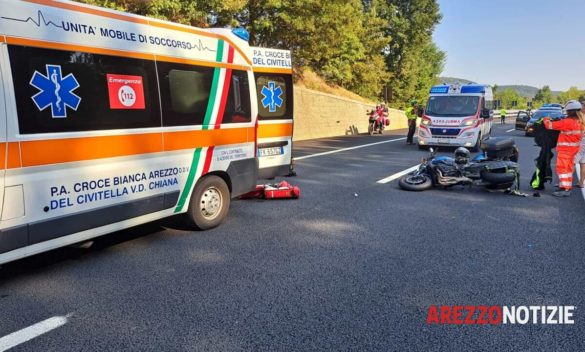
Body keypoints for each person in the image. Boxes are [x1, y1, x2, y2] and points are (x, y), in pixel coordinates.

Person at [543, 100, 585, 197]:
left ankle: (565, 189)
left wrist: (546, 118)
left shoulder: (567, 122)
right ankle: (565, 186)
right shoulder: (580, 122)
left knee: (562, 169)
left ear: (570, 111)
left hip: (565, 150)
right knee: (568, 169)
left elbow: (549, 125)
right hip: (573, 149)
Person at [575, 101, 585, 188]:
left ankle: (566, 183)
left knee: (572, 163)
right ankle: (581, 182)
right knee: (583, 163)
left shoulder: (582, 117)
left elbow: (581, 132)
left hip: (581, 143)